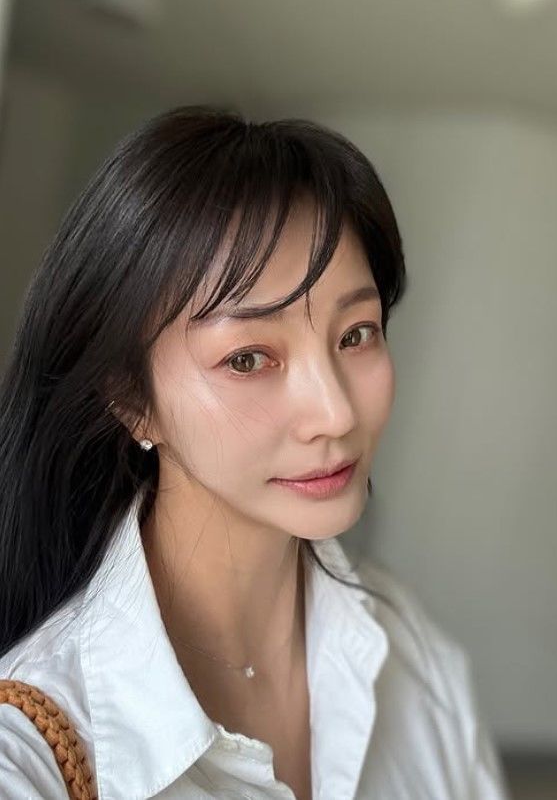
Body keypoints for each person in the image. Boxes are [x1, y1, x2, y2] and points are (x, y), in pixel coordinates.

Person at [0, 107, 508, 799]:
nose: (335, 412)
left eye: (355, 334)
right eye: (248, 358)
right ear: (131, 398)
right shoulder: (31, 755)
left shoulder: (409, 650)